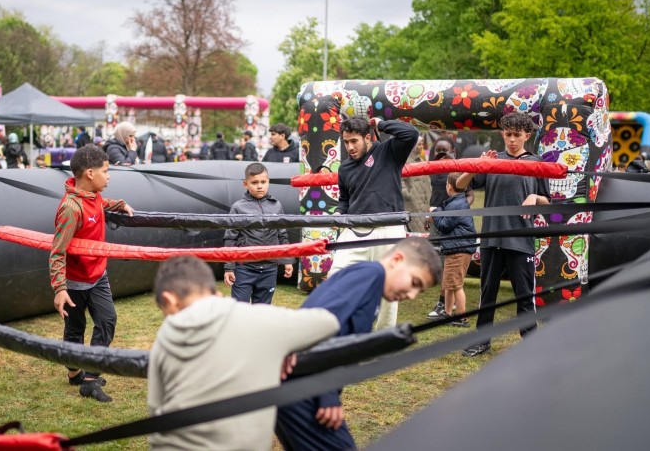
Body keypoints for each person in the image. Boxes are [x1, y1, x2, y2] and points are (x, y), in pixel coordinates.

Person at [148, 256, 339, 450]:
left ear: (169, 299)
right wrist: (287, 344)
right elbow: (328, 322)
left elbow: (156, 408)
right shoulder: (257, 319)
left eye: (166, 312)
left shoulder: (165, 336)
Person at [275, 237, 442, 450]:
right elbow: (318, 325)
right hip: (303, 386)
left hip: (299, 385)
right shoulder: (369, 276)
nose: (412, 295)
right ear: (397, 260)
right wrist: (327, 395)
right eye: (415, 283)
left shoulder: (371, 283)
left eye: (420, 291)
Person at [455, 111, 550, 357]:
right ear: (502, 135)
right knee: (487, 294)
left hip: (521, 239)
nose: (512, 140)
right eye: (508, 135)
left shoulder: (536, 162)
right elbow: (460, 185)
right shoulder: (493, 160)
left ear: (527, 135)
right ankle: (481, 341)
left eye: (517, 135)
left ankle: (531, 343)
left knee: (524, 295)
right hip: (491, 238)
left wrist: (535, 196)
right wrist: (478, 165)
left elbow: (547, 202)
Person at [50, 145, 134, 402]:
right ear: (89, 173)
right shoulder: (71, 208)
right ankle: (75, 373)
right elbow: (57, 251)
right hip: (75, 282)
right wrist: (60, 288)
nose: (108, 176)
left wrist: (121, 204)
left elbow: (102, 204)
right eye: (105, 171)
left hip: (98, 276)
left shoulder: (93, 196)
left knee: (107, 321)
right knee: (75, 329)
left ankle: (89, 380)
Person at [330, 115, 419, 330]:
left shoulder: (389, 151)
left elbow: (411, 133)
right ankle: (342, 329)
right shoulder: (344, 168)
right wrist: (339, 213)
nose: (350, 147)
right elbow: (345, 199)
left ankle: (382, 340)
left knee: (389, 291)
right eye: (346, 142)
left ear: (368, 137)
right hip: (355, 230)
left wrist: (381, 124)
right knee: (335, 278)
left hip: (389, 228)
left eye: (354, 141)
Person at [223, 163, 294, 304]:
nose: (259, 186)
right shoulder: (238, 207)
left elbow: (282, 234)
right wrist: (228, 268)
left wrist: (287, 261)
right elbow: (230, 238)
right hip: (244, 268)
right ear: (245, 184)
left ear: (268, 182)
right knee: (239, 309)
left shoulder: (276, 205)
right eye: (254, 182)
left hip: (270, 268)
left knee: (263, 310)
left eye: (263, 182)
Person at [426, 138, 474, 319]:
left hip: (450, 222)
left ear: (453, 151)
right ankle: (446, 305)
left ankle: (443, 304)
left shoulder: (456, 173)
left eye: (444, 150)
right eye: (437, 150)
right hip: (436, 219)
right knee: (439, 263)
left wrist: (458, 210)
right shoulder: (431, 170)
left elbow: (470, 195)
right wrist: (430, 216)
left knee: (449, 264)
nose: (441, 153)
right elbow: (431, 196)